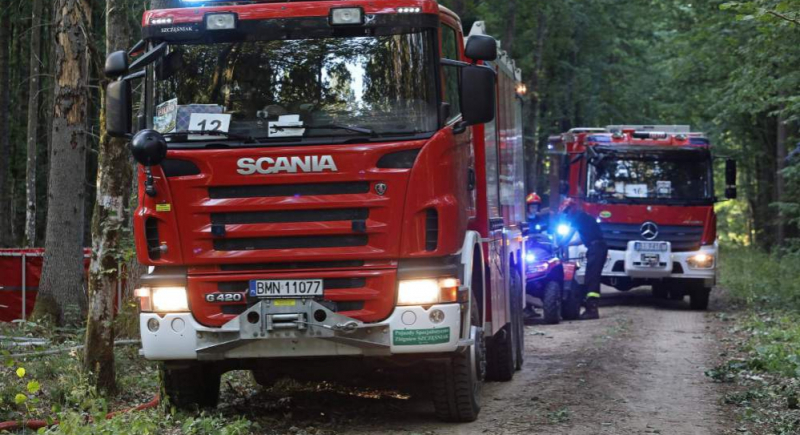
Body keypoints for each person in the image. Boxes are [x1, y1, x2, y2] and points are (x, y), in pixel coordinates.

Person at [558, 199, 607, 320]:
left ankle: (592, 309)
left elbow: (569, 234)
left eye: (566, 212)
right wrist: (568, 245)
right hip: (596, 247)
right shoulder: (583, 218)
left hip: (596, 248)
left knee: (592, 278)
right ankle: (590, 306)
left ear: (571, 209)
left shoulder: (578, 218)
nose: (566, 216)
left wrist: (559, 244)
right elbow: (583, 239)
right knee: (590, 277)